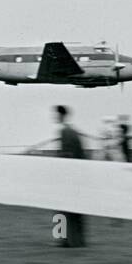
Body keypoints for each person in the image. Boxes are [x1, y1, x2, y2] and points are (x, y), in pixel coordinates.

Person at [55, 105, 88, 247]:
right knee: (75, 211)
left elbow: (66, 155)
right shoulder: (73, 131)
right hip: (76, 176)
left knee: (62, 210)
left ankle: (64, 239)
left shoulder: (65, 132)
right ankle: (76, 240)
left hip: (67, 177)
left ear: (61, 115)